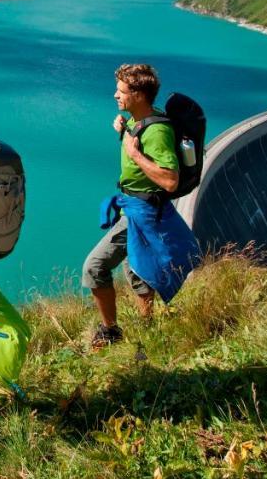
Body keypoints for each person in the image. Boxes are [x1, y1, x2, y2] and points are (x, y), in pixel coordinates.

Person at [81, 63, 201, 348]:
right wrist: (123, 132)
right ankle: (147, 329)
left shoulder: (157, 131)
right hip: (133, 208)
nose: (115, 95)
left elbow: (170, 180)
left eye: (121, 91)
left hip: (143, 212)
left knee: (94, 267)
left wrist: (135, 155)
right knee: (137, 268)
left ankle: (110, 331)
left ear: (139, 95)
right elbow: (139, 146)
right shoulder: (139, 121)